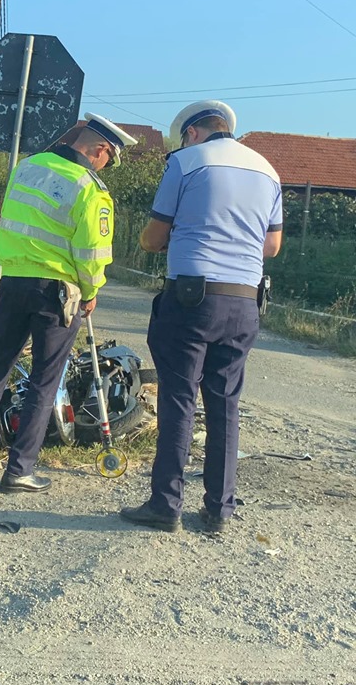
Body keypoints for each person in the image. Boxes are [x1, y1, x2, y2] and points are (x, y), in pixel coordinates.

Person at [0, 113, 137, 493]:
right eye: (109, 160)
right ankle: (19, 470)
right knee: (44, 381)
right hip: (57, 294)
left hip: (13, 281)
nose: (106, 167)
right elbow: (91, 254)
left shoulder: (27, 167)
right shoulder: (91, 190)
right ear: (101, 150)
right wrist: (91, 292)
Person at [120, 100, 282, 533]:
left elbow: (152, 238)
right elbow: (271, 246)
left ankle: (165, 505)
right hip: (244, 302)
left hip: (193, 299)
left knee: (179, 399)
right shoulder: (268, 170)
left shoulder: (186, 163)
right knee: (225, 404)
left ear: (191, 133)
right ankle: (218, 510)